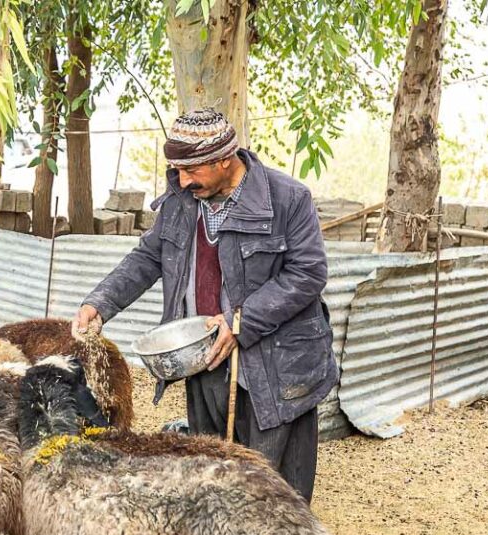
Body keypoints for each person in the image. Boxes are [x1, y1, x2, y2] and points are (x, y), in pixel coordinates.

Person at [72, 108, 337, 503]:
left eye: (191, 170)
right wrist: (100, 303)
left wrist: (240, 321)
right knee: (214, 479)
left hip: (278, 368)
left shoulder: (287, 199)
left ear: (224, 160)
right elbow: (148, 257)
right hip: (207, 358)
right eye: (176, 170)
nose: (181, 180)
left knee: (278, 491)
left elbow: (308, 273)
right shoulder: (183, 201)